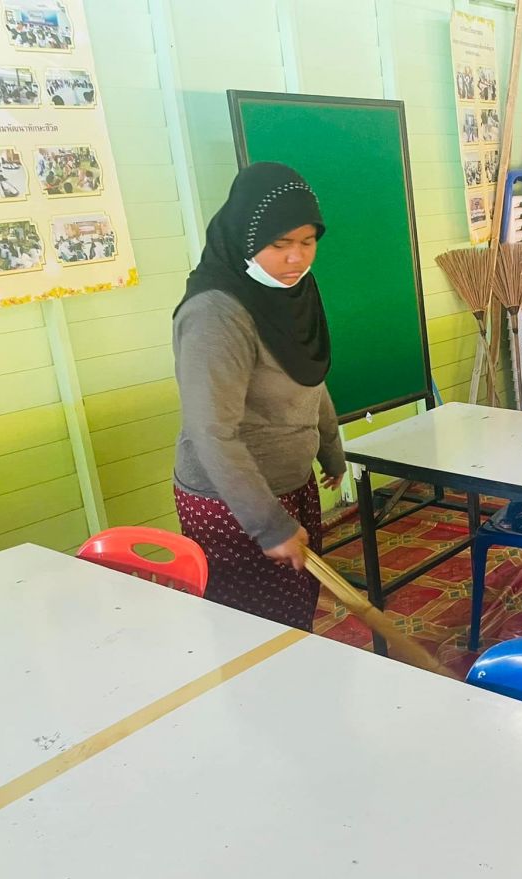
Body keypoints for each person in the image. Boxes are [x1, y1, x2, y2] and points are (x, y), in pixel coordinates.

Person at [172, 162, 346, 631]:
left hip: (290, 482)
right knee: (255, 632)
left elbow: (308, 375)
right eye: (279, 244)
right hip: (230, 502)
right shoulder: (215, 314)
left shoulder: (293, 290)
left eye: (307, 242)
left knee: (296, 611)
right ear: (245, 239)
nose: (296, 258)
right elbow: (211, 431)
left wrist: (330, 449)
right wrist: (270, 525)